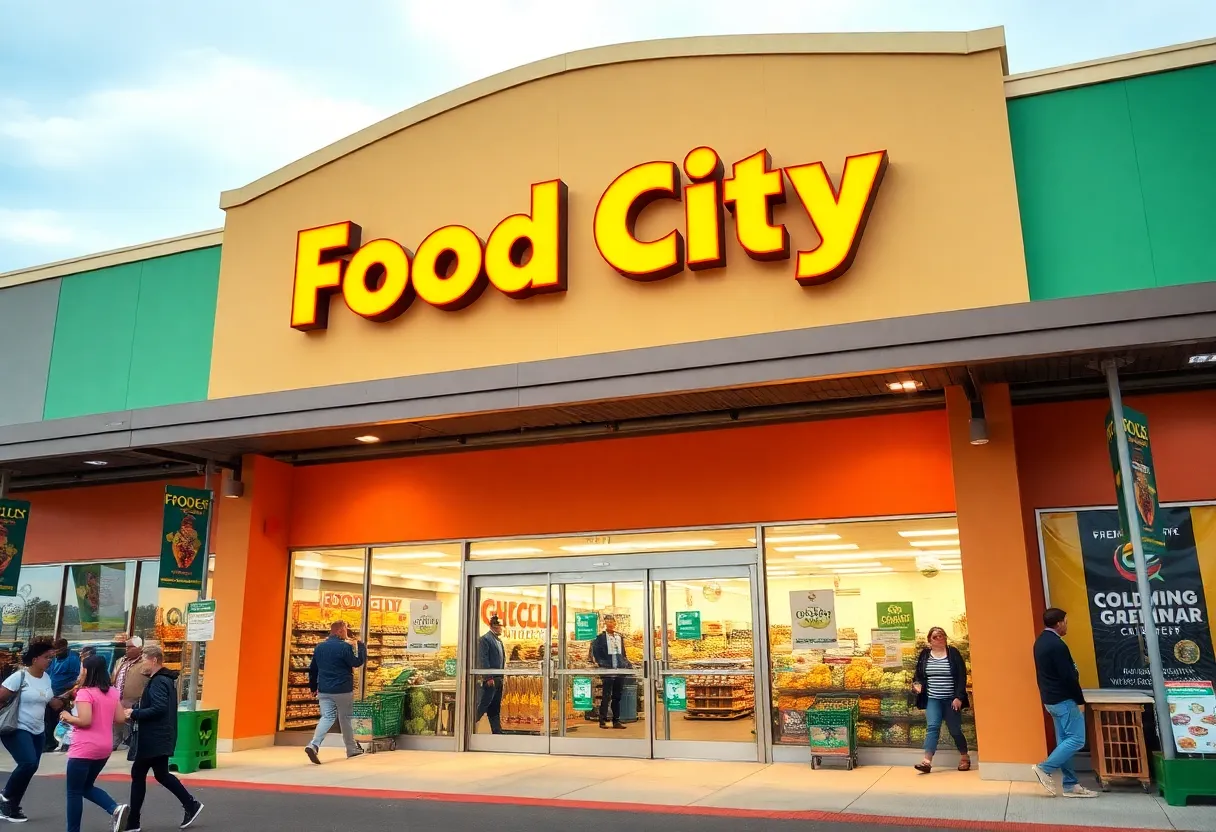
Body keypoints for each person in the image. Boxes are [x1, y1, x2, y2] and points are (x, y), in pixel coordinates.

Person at [124, 645, 204, 830]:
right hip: (159, 736)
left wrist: (134, 713)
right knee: (160, 775)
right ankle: (190, 804)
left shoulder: (159, 681)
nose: (142, 664)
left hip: (154, 737)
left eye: (144, 659)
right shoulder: (162, 680)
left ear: (153, 660)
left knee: (139, 774)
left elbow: (159, 708)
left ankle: (133, 821)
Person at [58, 655, 130, 832]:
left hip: (84, 748)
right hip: (104, 747)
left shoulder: (85, 692)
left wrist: (67, 717)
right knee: (86, 786)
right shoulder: (113, 691)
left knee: (74, 791)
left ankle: (73, 829)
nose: (80, 671)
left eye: (82, 668)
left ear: (88, 671)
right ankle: (114, 809)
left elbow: (85, 720)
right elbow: (120, 718)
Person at [1031, 607, 1096, 798]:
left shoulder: (1040, 642)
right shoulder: (1057, 645)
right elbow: (1068, 677)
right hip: (1064, 699)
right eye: (1066, 622)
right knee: (1076, 739)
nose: (1067, 625)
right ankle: (1044, 768)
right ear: (1059, 623)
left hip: (1051, 699)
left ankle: (1070, 785)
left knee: (1064, 742)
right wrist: (1079, 700)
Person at [0, 638, 57, 822]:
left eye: (52, 657)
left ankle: (11, 807)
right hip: (17, 727)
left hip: (38, 730)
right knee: (28, 763)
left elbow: (50, 701)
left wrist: (66, 699)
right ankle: (5, 796)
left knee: (30, 768)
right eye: (47, 657)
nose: (50, 661)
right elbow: (1, 697)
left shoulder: (47, 678)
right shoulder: (20, 677)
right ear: (35, 659)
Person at [304, 620, 366, 764]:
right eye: (345, 629)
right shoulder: (344, 647)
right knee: (346, 719)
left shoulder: (319, 647)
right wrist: (361, 646)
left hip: (324, 690)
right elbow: (356, 662)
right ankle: (351, 749)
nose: (346, 632)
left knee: (327, 717)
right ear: (339, 631)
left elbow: (313, 669)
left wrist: (313, 687)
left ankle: (313, 745)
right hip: (343, 689)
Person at [911, 626, 971, 773]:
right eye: (936, 636)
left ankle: (964, 757)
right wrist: (917, 685)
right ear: (929, 640)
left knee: (955, 729)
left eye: (942, 635)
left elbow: (961, 676)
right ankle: (927, 761)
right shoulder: (925, 654)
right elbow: (919, 674)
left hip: (951, 699)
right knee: (932, 727)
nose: (940, 638)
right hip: (933, 698)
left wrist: (958, 697)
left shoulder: (953, 653)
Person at [591, 614, 631, 729]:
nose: (610, 624)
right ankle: (602, 720)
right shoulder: (600, 638)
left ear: (615, 623)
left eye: (612, 622)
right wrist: (601, 663)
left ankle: (616, 720)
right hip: (607, 670)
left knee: (617, 696)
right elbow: (596, 652)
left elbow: (623, 653)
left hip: (619, 669)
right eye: (608, 622)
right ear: (605, 624)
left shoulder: (619, 637)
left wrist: (625, 663)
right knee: (606, 695)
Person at [111, 636, 148, 751]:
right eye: (126, 647)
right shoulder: (120, 661)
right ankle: (114, 742)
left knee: (134, 723)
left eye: (130, 647)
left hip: (135, 700)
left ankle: (134, 744)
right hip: (118, 698)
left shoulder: (145, 663)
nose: (126, 650)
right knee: (117, 721)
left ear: (139, 648)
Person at [46, 638, 81, 751]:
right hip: (52, 694)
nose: (55, 652)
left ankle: (67, 743)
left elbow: (76, 679)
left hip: (66, 695)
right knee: (50, 720)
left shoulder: (73, 659)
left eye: (57, 650)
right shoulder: (53, 659)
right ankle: (51, 743)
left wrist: (66, 692)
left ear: (64, 648)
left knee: (66, 721)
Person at [475, 615, 506, 734]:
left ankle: (497, 731)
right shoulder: (485, 639)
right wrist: (488, 677)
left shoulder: (498, 641)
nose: (501, 629)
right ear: (494, 626)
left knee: (495, 707)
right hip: (491, 679)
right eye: (499, 626)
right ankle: (470, 723)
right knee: (483, 705)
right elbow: (483, 659)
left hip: (498, 678)